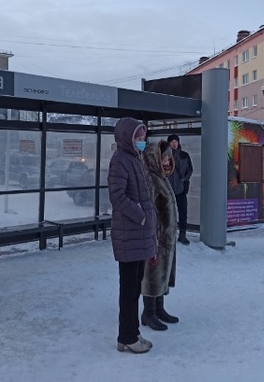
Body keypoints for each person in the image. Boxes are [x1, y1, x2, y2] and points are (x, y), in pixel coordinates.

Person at [108, 118, 157, 354]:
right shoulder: (120, 160)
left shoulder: (134, 159)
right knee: (128, 289)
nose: (142, 141)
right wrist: (140, 215)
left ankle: (131, 333)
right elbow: (117, 196)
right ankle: (127, 336)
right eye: (138, 137)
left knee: (134, 288)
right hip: (129, 234)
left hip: (138, 235)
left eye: (143, 137)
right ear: (127, 137)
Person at [140, 140, 179, 332]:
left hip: (166, 237)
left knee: (163, 272)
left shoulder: (161, 177)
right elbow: (148, 209)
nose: (167, 161)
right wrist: (154, 233)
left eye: (169, 157)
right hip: (156, 237)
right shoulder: (150, 178)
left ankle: (159, 307)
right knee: (152, 274)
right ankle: (148, 312)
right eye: (163, 157)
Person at [166, 134, 194, 245]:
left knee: (183, 212)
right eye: (172, 141)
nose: (174, 143)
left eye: (176, 141)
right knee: (168, 213)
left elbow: (190, 169)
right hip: (168, 189)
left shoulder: (184, 155)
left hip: (181, 189)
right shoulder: (165, 156)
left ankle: (182, 235)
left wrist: (185, 178)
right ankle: (168, 234)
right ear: (169, 143)